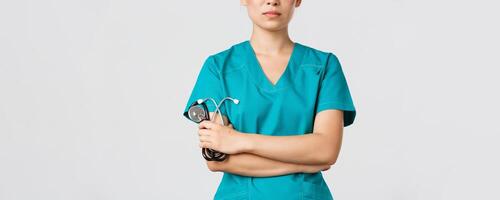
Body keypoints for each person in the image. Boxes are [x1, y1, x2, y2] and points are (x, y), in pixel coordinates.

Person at [182, 0, 356, 199]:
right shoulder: (218, 67)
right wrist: (303, 162)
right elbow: (216, 159)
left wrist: (239, 140)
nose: (271, 1)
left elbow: (326, 151)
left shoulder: (323, 66)